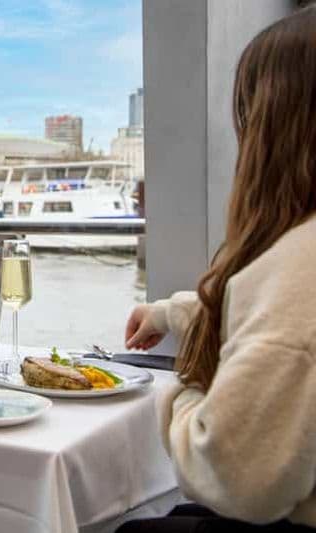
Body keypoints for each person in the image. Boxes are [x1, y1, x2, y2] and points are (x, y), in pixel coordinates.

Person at [119, 7, 316, 533]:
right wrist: (171, 313)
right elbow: (271, 320)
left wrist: (183, 394)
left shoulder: (302, 263)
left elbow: (232, 477)